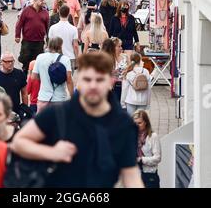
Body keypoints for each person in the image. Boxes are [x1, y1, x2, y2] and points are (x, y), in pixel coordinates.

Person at [11, 52, 143, 188]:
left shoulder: (123, 123)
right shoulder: (57, 113)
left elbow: (130, 173)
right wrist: (51, 152)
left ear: (110, 81)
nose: (93, 85)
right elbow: (19, 142)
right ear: (78, 81)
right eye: (87, 79)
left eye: (99, 80)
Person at [32, 37, 74, 113]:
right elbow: (69, 80)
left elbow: (34, 76)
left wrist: (45, 78)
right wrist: (73, 96)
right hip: (60, 99)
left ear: (48, 45)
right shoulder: (65, 59)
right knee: (59, 123)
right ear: (60, 46)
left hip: (43, 98)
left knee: (42, 123)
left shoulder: (40, 57)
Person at [15, 0, 49, 75]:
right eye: (41, 0)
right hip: (27, 40)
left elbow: (47, 26)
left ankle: (36, 77)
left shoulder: (45, 12)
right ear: (35, 1)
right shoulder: (26, 10)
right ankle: (25, 73)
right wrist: (17, 36)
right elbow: (19, 24)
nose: (43, 2)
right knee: (25, 58)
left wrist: (48, 39)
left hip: (39, 41)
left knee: (38, 60)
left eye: (43, 0)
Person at [133, 110, 161, 188]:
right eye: (135, 123)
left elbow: (157, 158)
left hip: (149, 175)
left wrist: (141, 160)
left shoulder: (153, 136)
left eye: (139, 123)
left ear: (146, 122)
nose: (137, 125)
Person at [48, 5, 79, 73]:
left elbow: (50, 44)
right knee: (69, 79)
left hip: (55, 57)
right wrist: (77, 59)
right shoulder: (73, 29)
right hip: (70, 57)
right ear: (68, 14)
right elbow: (75, 46)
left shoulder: (52, 28)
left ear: (59, 13)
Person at [102, 37, 127, 103]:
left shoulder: (125, 57)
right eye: (119, 46)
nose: (121, 48)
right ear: (112, 48)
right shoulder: (107, 59)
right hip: (111, 87)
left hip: (124, 86)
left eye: (121, 46)